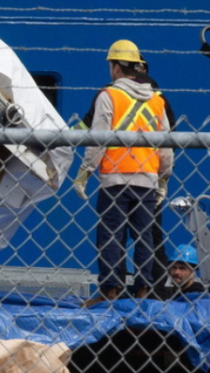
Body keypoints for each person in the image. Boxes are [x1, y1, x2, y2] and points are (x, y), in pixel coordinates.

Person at [74, 39, 173, 303]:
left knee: (110, 236)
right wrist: (164, 179)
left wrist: (84, 173)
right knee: (144, 237)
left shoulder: (109, 95)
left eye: (111, 65)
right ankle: (143, 291)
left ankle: (110, 291)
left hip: (115, 180)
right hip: (147, 180)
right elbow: (166, 145)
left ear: (117, 67)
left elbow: (99, 138)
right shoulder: (157, 100)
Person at [135, 58, 177, 289]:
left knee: (116, 235)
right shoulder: (159, 98)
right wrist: (164, 176)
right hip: (151, 174)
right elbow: (170, 139)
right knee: (151, 233)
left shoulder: (119, 93)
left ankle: (116, 288)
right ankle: (154, 286)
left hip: (121, 173)